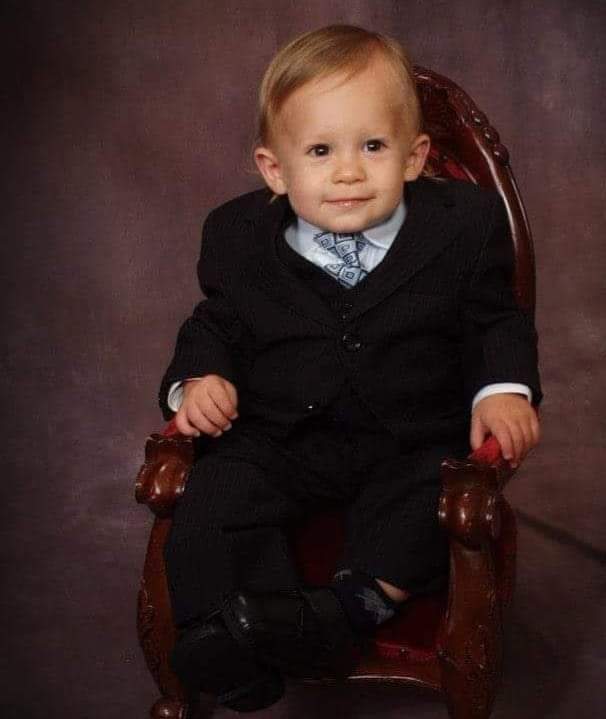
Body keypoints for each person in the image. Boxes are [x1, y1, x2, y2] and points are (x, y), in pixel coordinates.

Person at [158, 23, 543, 713]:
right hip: (281, 437)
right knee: (215, 495)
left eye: (372, 146)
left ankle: (344, 610)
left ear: (414, 157)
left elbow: (495, 319)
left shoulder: (461, 225)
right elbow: (214, 323)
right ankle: (234, 636)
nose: (347, 172)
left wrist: (502, 390)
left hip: (407, 440)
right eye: (319, 150)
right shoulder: (237, 236)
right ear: (275, 170)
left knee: (428, 501)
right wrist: (199, 381)